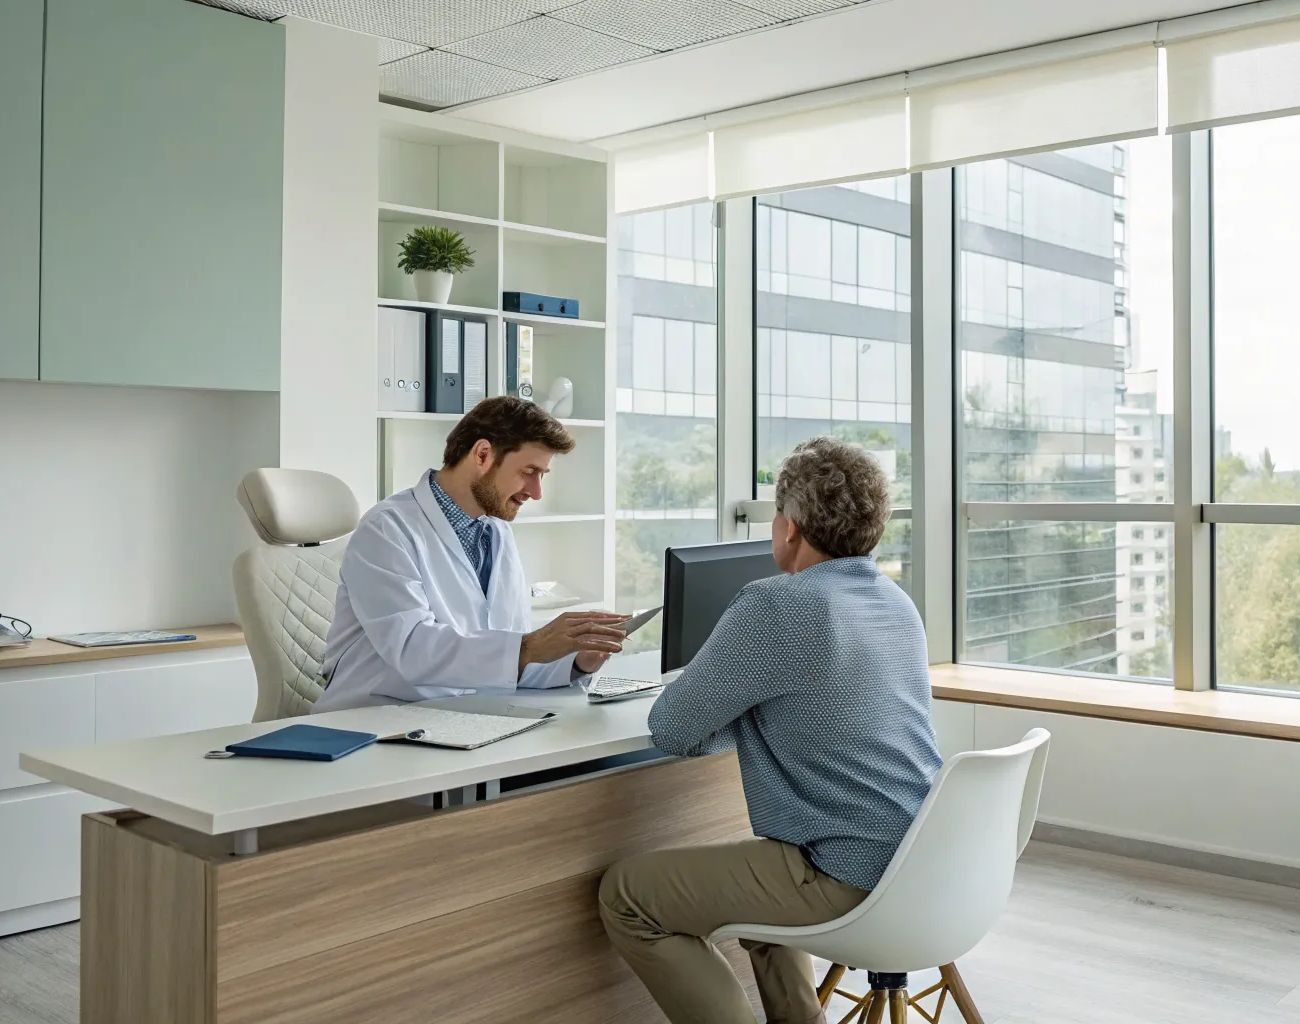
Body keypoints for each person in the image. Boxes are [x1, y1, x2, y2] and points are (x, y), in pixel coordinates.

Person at [598, 436, 942, 1024]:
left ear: (789, 528)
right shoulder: (894, 601)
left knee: (627, 896)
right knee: (761, 881)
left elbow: (672, 728)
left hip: (848, 874)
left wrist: (724, 704)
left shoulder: (777, 605)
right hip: (922, 863)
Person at [315, 397, 627, 711]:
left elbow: (503, 662)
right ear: (482, 454)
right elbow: (412, 649)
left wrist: (577, 661)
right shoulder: (387, 529)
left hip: (464, 716)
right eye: (529, 471)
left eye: (542, 475)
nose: (536, 492)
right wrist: (530, 646)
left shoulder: (495, 531)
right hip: (377, 717)